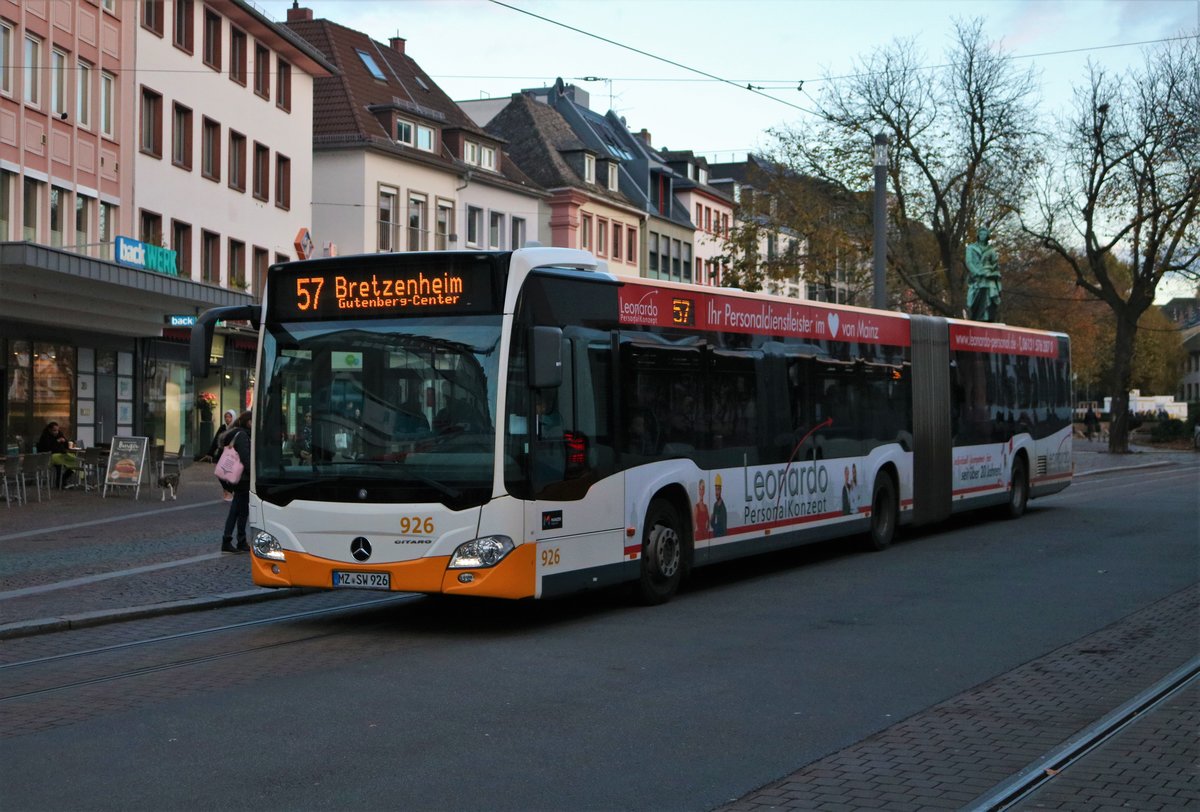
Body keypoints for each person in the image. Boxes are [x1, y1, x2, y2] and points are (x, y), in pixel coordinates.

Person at [219, 410, 253, 554]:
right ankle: (228, 540)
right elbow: (245, 458)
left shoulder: (237, 433)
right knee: (237, 510)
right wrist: (253, 474)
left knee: (242, 510)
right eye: (252, 421)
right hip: (243, 479)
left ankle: (240, 540)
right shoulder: (243, 435)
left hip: (240, 478)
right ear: (247, 421)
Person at [965, 226, 1001, 323]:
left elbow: (995, 264)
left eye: (985, 234)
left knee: (990, 290)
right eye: (981, 234)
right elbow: (969, 262)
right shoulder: (971, 248)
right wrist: (977, 272)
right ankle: (977, 315)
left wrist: (992, 272)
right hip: (976, 277)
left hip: (988, 276)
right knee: (974, 299)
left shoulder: (991, 250)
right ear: (978, 235)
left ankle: (986, 316)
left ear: (987, 236)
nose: (983, 236)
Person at [36, 421, 81, 487]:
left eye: (57, 430)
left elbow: (66, 446)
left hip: (60, 455)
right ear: (49, 430)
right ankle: (60, 483)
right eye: (54, 430)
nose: (56, 432)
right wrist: (57, 441)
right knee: (60, 465)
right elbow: (48, 448)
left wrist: (65, 441)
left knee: (76, 460)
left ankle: (63, 478)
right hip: (48, 456)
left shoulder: (59, 434)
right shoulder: (45, 436)